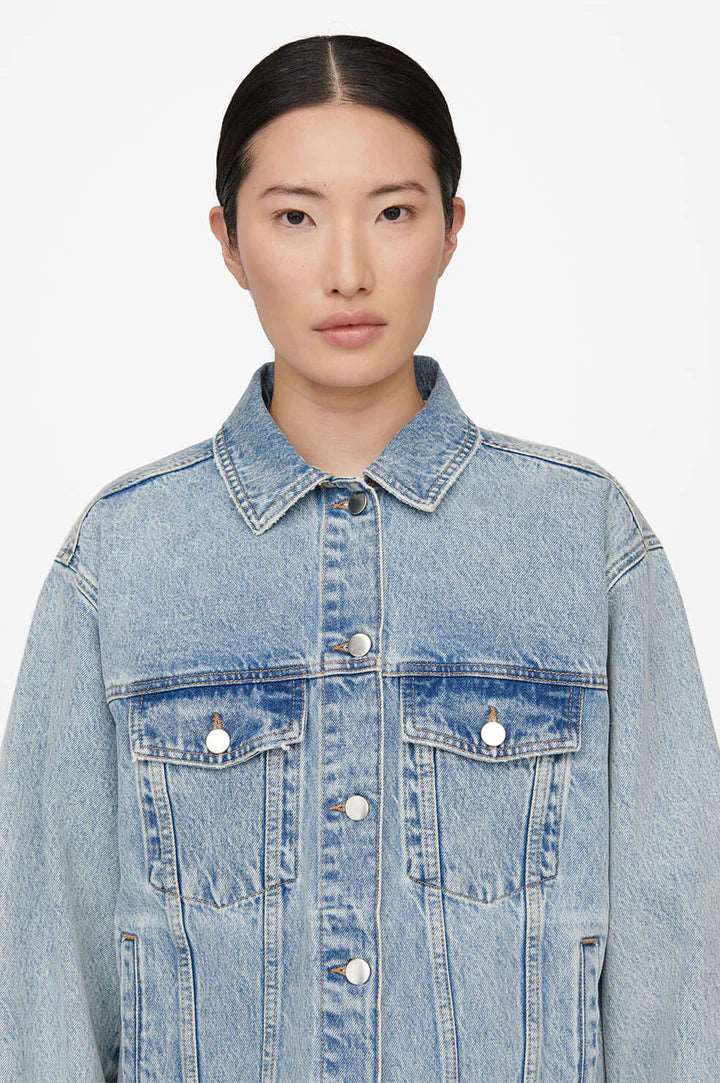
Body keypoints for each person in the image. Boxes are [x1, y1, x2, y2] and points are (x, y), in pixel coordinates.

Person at [1, 32, 718, 1083]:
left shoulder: (587, 544)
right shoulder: (123, 559)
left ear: (451, 229)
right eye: (295, 217)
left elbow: (680, 958)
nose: (347, 270)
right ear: (230, 241)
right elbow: (43, 981)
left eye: (393, 213)